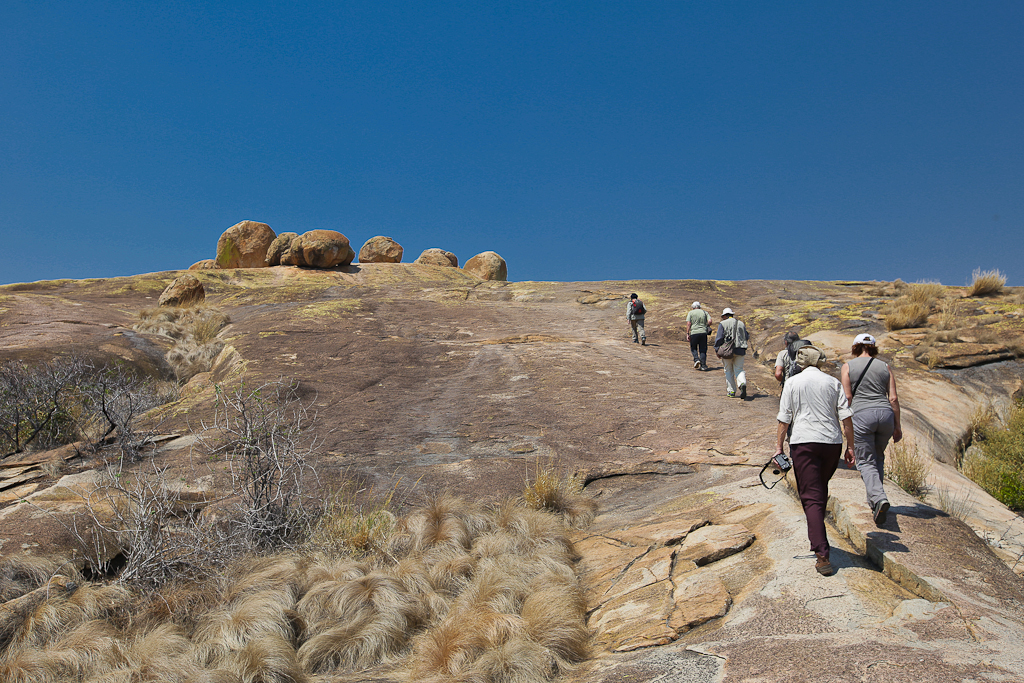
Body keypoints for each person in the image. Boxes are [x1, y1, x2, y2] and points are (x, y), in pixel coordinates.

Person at [776, 345, 855, 577]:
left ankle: (822, 554)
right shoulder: (832, 383)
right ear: (819, 361)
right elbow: (846, 416)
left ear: (801, 362)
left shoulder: (793, 383)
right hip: (831, 443)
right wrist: (851, 447)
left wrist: (778, 448)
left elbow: (784, 419)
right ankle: (819, 533)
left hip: (804, 443)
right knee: (819, 490)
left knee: (811, 497)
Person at [841, 333, 902, 526]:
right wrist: (897, 426)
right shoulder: (885, 367)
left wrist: (845, 425)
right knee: (878, 457)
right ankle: (875, 502)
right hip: (885, 416)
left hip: (862, 415)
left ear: (855, 347)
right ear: (873, 347)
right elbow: (892, 398)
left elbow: (847, 398)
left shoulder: (847, 367)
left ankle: (879, 498)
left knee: (865, 461)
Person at [713, 308, 748, 398]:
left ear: (725, 316)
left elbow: (719, 338)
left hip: (727, 350)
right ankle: (742, 383)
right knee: (739, 369)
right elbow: (746, 336)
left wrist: (717, 350)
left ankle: (731, 391)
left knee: (728, 370)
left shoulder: (723, 324)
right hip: (740, 349)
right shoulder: (741, 323)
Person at [686, 301, 712, 370]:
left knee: (693, 347)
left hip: (694, 332)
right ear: (699, 307)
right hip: (703, 332)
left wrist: (687, 333)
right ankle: (703, 365)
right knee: (703, 349)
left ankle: (696, 359)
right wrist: (706, 326)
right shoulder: (704, 312)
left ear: (693, 307)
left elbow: (688, 323)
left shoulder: (690, 313)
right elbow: (710, 321)